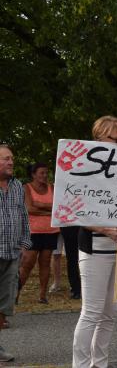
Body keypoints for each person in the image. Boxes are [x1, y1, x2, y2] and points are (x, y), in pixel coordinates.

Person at [72, 116, 117, 368]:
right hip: (95, 247)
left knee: (110, 313)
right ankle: (80, 365)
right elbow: (73, 211)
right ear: (100, 137)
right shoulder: (85, 166)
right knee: (91, 312)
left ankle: (99, 364)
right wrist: (105, 229)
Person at [0, 145, 32, 362]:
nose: (11, 162)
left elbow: (23, 215)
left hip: (11, 253)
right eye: (5, 159)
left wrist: (24, 243)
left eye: (12, 158)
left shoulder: (17, 185)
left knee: (3, 304)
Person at [18, 163, 58, 305]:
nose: (45, 175)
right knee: (27, 263)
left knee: (45, 263)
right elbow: (29, 208)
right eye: (41, 173)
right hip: (32, 232)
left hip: (51, 231)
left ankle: (42, 295)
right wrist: (49, 211)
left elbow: (58, 207)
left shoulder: (52, 188)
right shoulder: (26, 188)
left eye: (46, 173)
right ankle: (15, 294)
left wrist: (40, 205)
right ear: (33, 174)